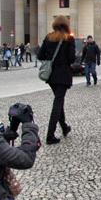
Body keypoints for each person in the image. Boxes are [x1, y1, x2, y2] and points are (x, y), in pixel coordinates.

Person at [37, 16, 76, 145]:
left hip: (51, 76)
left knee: (59, 101)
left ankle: (64, 127)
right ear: (66, 25)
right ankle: (50, 135)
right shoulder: (68, 38)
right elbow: (71, 58)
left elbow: (40, 55)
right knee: (58, 102)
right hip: (63, 75)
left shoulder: (49, 37)